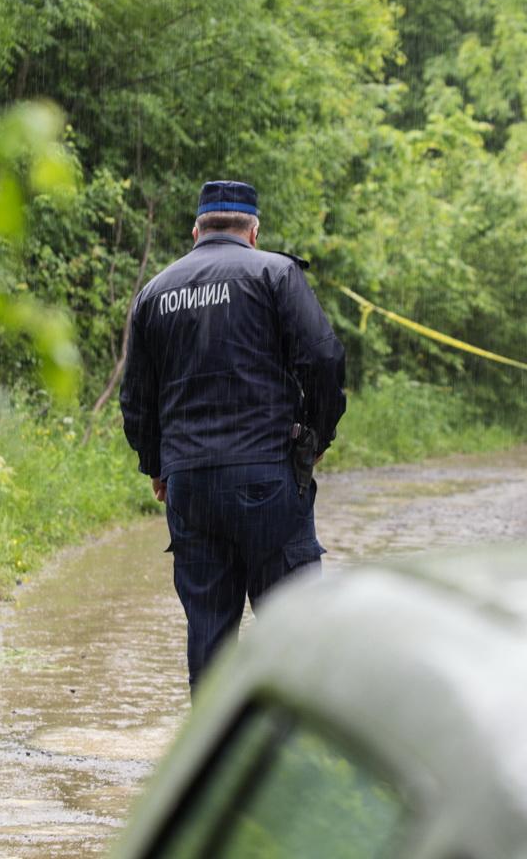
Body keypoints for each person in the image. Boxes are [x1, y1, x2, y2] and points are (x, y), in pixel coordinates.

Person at [120, 180, 346, 690]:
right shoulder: (274, 273)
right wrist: (316, 438)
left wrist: (157, 464)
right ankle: (291, 756)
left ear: (197, 230)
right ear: (254, 230)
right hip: (266, 476)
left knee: (209, 634)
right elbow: (325, 359)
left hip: (190, 486)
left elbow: (136, 399)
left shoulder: (155, 292)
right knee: (295, 629)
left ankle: (212, 759)